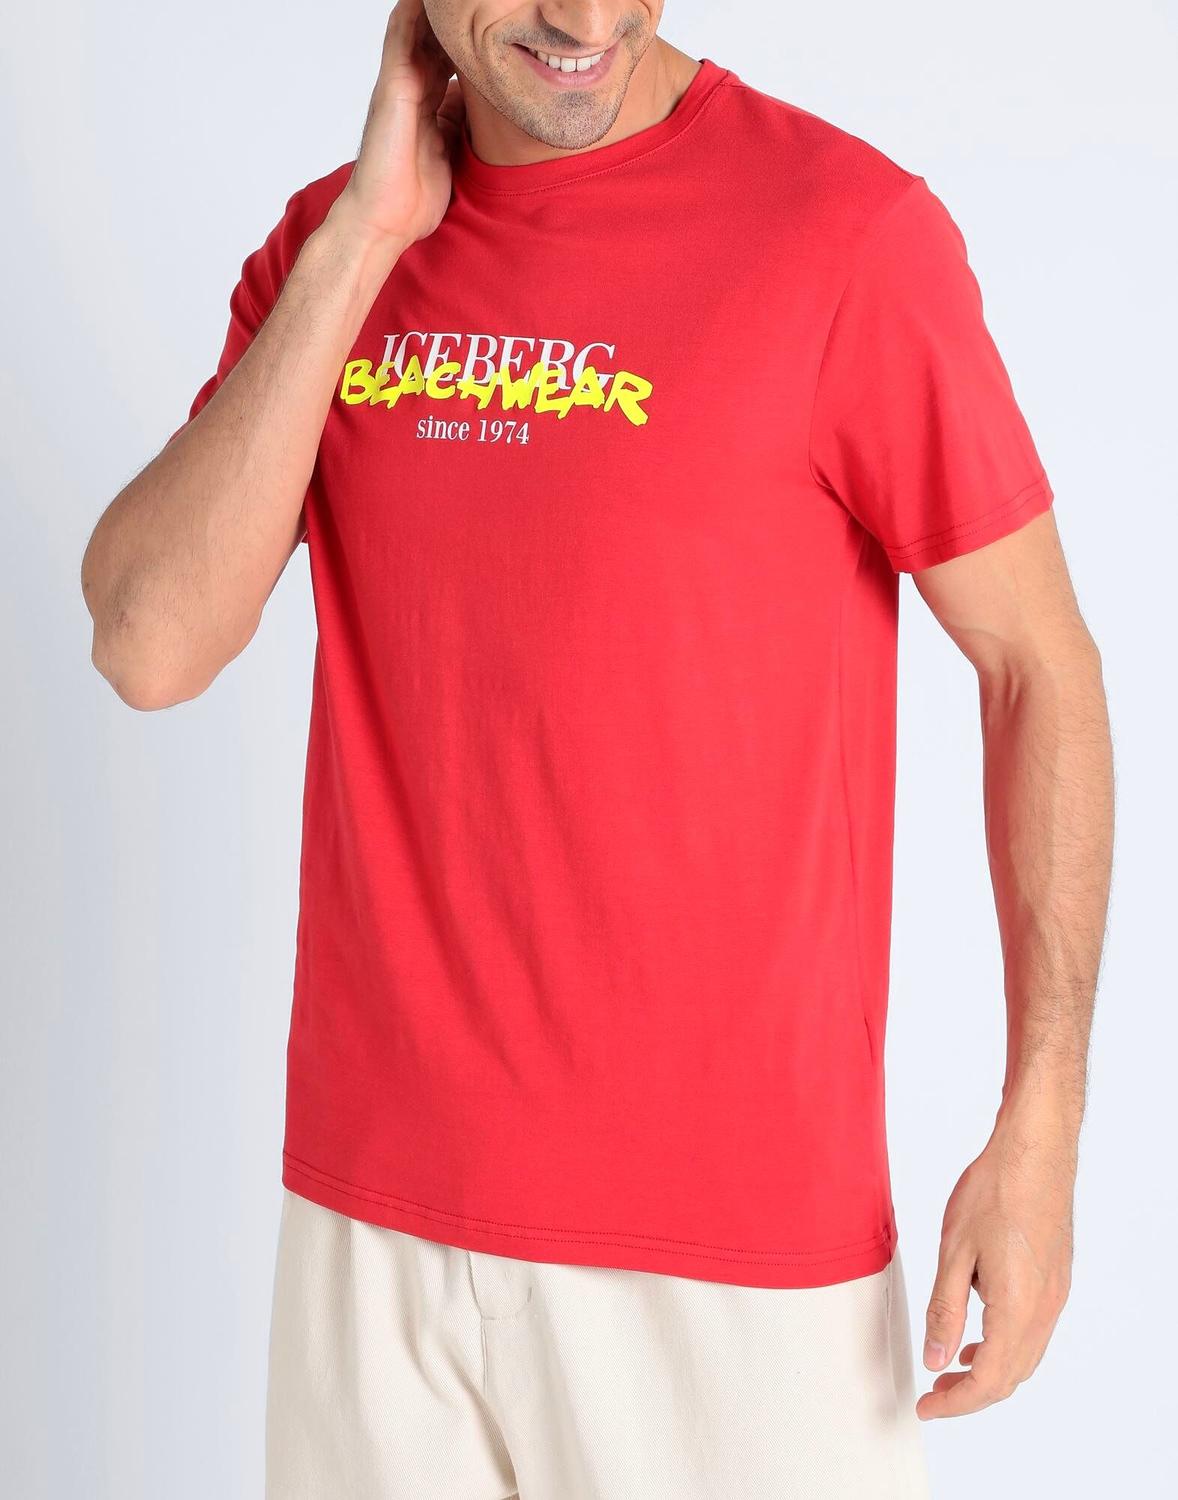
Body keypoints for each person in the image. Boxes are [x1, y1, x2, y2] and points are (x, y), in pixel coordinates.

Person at [80, 2, 1114, 1495]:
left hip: (732, 1267)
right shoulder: (332, 250)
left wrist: (1042, 1124)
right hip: (373, 1225)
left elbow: (1038, 662)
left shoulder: (844, 235)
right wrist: (364, 239)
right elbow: (147, 644)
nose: (581, 16)